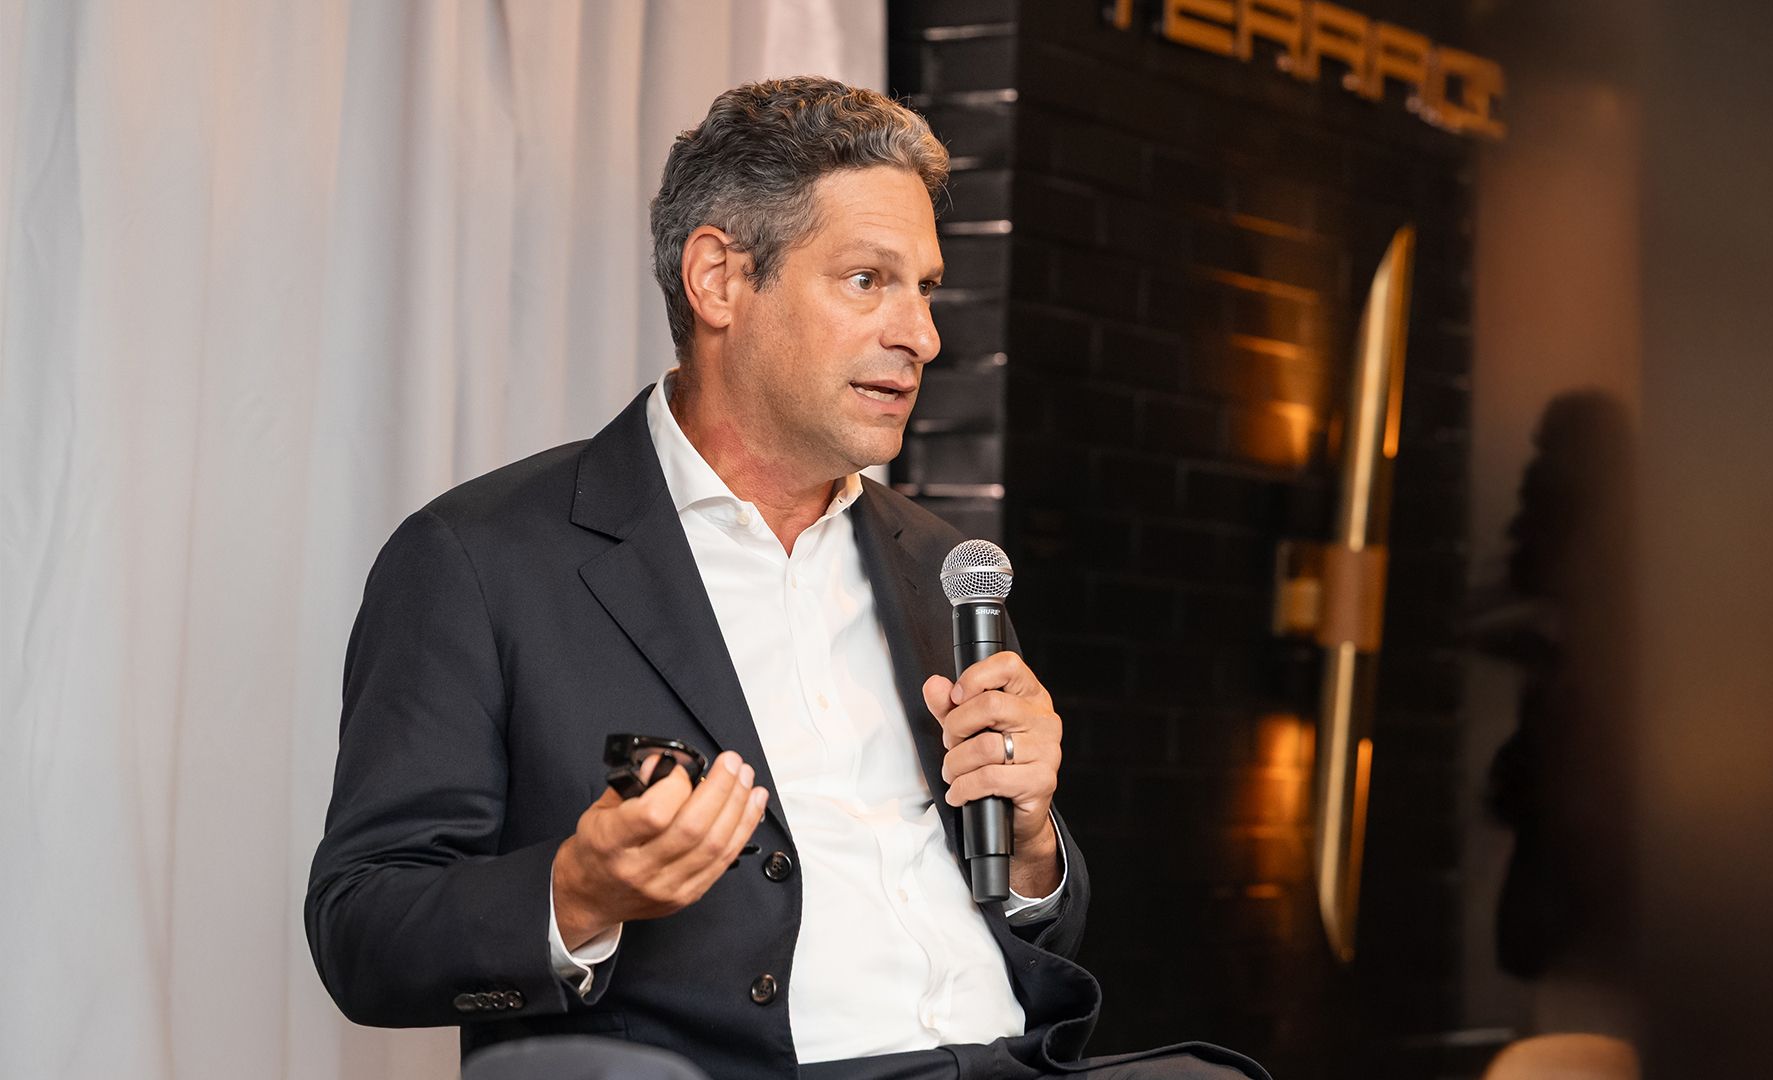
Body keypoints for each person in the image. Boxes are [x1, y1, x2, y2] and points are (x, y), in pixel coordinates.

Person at [306, 76, 1263, 1080]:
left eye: (926, 289)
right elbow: (364, 928)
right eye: (867, 281)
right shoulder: (482, 558)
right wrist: (576, 892)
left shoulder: (938, 564)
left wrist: (1028, 844)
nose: (922, 337)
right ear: (719, 278)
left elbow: (1031, 929)